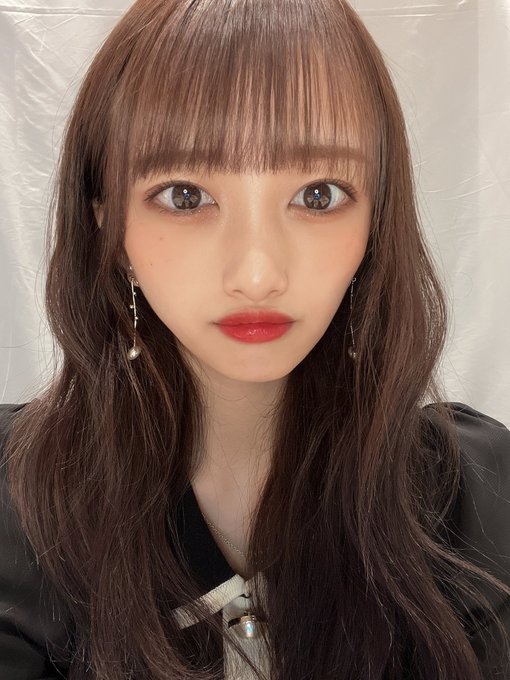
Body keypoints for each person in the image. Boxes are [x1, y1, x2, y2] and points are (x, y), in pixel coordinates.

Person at [0, 0, 509, 678]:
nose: (258, 274)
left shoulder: (475, 498)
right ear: (108, 227)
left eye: (318, 195)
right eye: (185, 196)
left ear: (376, 220)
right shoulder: (16, 503)